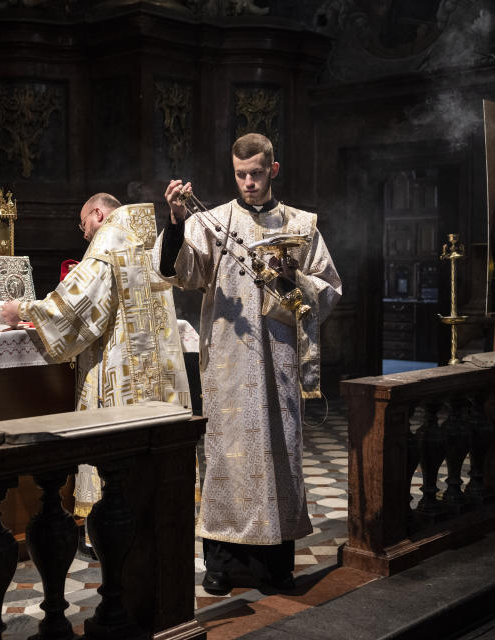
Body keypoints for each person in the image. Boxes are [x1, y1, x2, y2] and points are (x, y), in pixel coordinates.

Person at [153, 133, 341, 594]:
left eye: (257, 173)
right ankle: (221, 563)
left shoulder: (301, 225)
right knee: (224, 460)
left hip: (278, 362)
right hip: (229, 366)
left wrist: (292, 277)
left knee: (280, 457)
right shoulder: (212, 221)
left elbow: (329, 287)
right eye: (241, 175)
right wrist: (176, 220)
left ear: (273, 170)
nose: (249, 182)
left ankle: (275, 566)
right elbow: (180, 272)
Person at [2, 193, 192, 546]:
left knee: (115, 458)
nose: (85, 235)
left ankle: (113, 533)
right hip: (156, 368)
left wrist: (24, 309)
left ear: (98, 214)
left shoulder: (109, 238)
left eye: (83, 224)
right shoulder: (146, 236)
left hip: (120, 368)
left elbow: (77, 307)